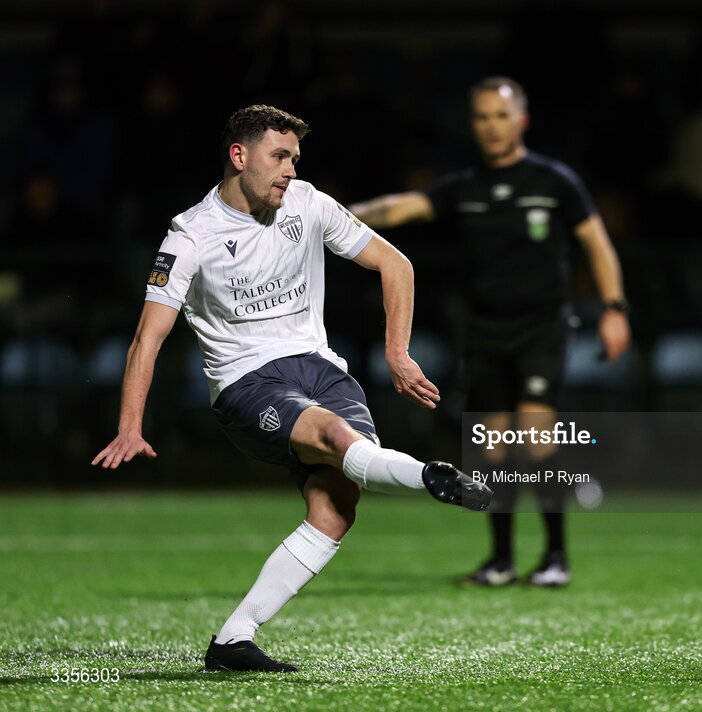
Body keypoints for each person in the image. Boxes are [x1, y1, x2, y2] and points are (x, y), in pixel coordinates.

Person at [91, 105, 491, 672]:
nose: (290, 171)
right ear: (239, 156)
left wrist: (397, 352)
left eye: (295, 159)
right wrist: (130, 425)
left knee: (336, 507)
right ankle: (434, 477)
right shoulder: (190, 236)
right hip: (246, 384)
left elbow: (394, 263)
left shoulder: (309, 205)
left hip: (322, 369)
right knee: (335, 437)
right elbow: (146, 338)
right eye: (279, 157)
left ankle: (233, 640)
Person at [351, 77, 630, 588]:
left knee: (538, 438)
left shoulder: (554, 181)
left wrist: (614, 308)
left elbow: (598, 244)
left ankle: (555, 557)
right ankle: (501, 561)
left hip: (542, 328)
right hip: (483, 331)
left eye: (501, 116)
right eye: (481, 117)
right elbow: (401, 207)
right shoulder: (464, 187)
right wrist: (332, 216)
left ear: (521, 120)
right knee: (494, 446)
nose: (491, 126)